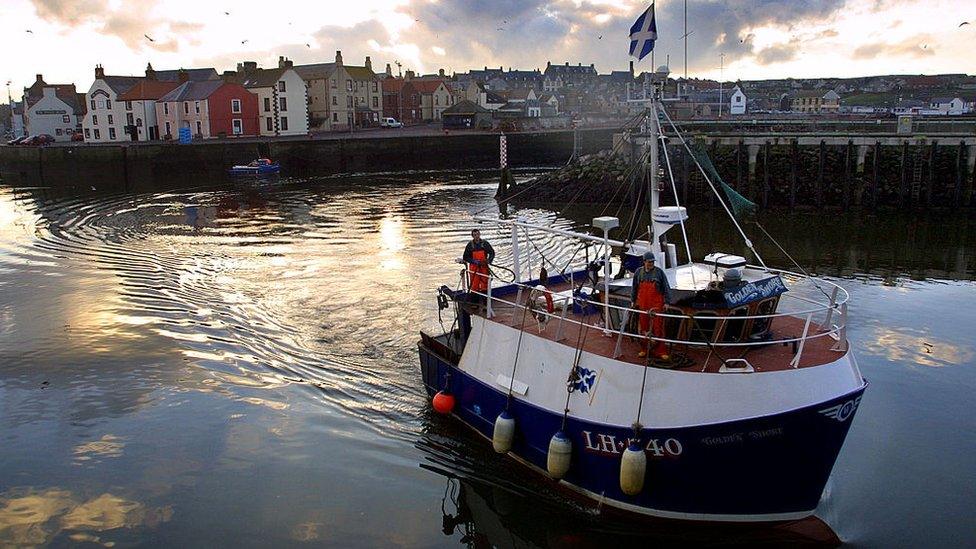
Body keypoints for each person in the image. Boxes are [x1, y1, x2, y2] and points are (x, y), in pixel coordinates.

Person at [631, 251, 672, 359]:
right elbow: (634, 288)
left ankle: (660, 351)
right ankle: (644, 349)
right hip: (643, 305)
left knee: (658, 328)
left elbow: (666, 287)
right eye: (649, 262)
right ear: (644, 262)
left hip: (656, 305)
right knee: (644, 328)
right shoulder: (638, 273)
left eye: (652, 262)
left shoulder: (659, 273)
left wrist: (667, 302)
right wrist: (633, 300)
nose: (651, 264)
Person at [463, 229, 495, 297]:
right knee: (474, 285)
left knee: (484, 284)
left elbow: (492, 253)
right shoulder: (469, 245)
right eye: (475, 235)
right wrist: (474, 261)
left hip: (484, 267)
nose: (477, 236)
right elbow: (465, 257)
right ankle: (474, 303)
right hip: (474, 268)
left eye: (478, 234)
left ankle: (485, 302)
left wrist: (489, 260)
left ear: (479, 234)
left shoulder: (485, 243)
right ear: (472, 236)